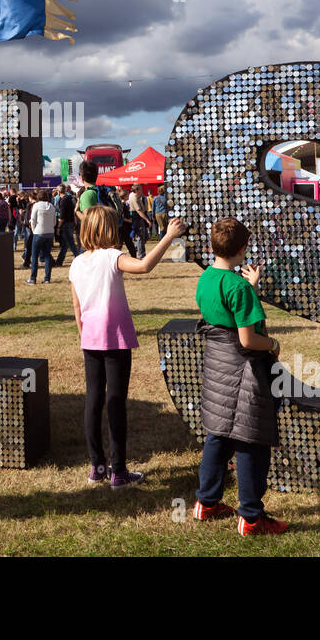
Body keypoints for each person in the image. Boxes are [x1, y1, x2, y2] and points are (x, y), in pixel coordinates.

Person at [69, 206, 187, 490]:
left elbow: (76, 306)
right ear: (109, 229)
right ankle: (118, 471)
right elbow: (145, 266)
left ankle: (97, 466)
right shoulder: (113, 257)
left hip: (91, 339)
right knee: (116, 403)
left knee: (94, 400)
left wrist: (84, 335)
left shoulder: (76, 263)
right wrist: (169, 236)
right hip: (115, 339)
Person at [192, 218, 288, 536]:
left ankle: (206, 502)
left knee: (218, 435)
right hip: (245, 372)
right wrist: (274, 344)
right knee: (251, 439)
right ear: (243, 249)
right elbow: (248, 340)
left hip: (218, 368)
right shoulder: (238, 287)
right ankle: (251, 517)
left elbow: (226, 313)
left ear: (212, 246)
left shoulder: (206, 278)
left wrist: (251, 289)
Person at [27, 189, 57, 284]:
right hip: (50, 232)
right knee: (47, 255)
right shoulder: (51, 206)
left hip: (39, 232)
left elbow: (33, 219)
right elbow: (54, 221)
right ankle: (47, 278)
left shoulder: (36, 205)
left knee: (35, 256)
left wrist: (34, 230)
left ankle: (33, 278)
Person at [54, 184, 80, 266]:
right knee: (66, 243)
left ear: (58, 192)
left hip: (66, 223)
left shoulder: (63, 200)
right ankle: (59, 261)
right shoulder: (71, 198)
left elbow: (62, 216)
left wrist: (58, 227)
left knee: (71, 243)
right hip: (71, 222)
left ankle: (79, 258)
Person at [128, 186, 151, 259]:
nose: (142, 190)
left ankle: (137, 248)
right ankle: (142, 255)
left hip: (141, 217)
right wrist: (147, 220)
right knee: (140, 237)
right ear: (137, 190)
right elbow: (139, 211)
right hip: (137, 218)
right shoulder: (133, 198)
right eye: (140, 189)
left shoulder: (139, 197)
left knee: (146, 237)